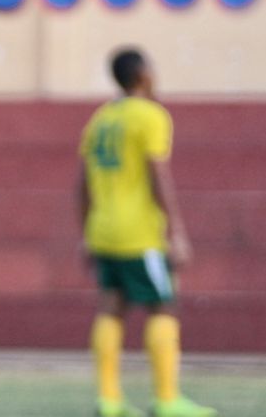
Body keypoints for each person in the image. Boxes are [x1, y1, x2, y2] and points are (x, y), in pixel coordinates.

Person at [78, 48, 216, 417]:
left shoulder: (101, 119)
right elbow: (159, 174)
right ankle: (168, 400)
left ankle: (108, 400)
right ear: (141, 75)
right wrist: (177, 231)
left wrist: (85, 232)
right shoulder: (150, 115)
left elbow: (81, 182)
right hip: (138, 233)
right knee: (163, 306)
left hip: (103, 230)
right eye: (151, 69)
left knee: (111, 307)